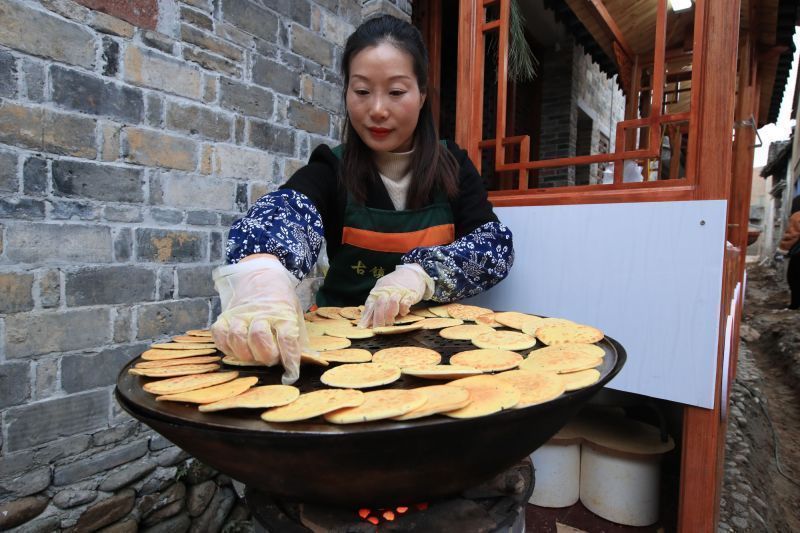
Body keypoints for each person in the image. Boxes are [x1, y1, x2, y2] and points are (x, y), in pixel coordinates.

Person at [211, 15, 514, 383]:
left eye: (397, 92)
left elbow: (493, 245)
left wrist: (421, 274)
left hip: (433, 352)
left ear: (422, 94)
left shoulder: (452, 166)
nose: (377, 110)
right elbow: (286, 211)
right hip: (339, 359)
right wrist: (263, 273)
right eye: (362, 91)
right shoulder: (332, 167)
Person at [776, 195, 800, 310]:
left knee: (794, 278)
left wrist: (782, 250)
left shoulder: (797, 216)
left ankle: (795, 305)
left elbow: (792, 235)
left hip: (798, 255)